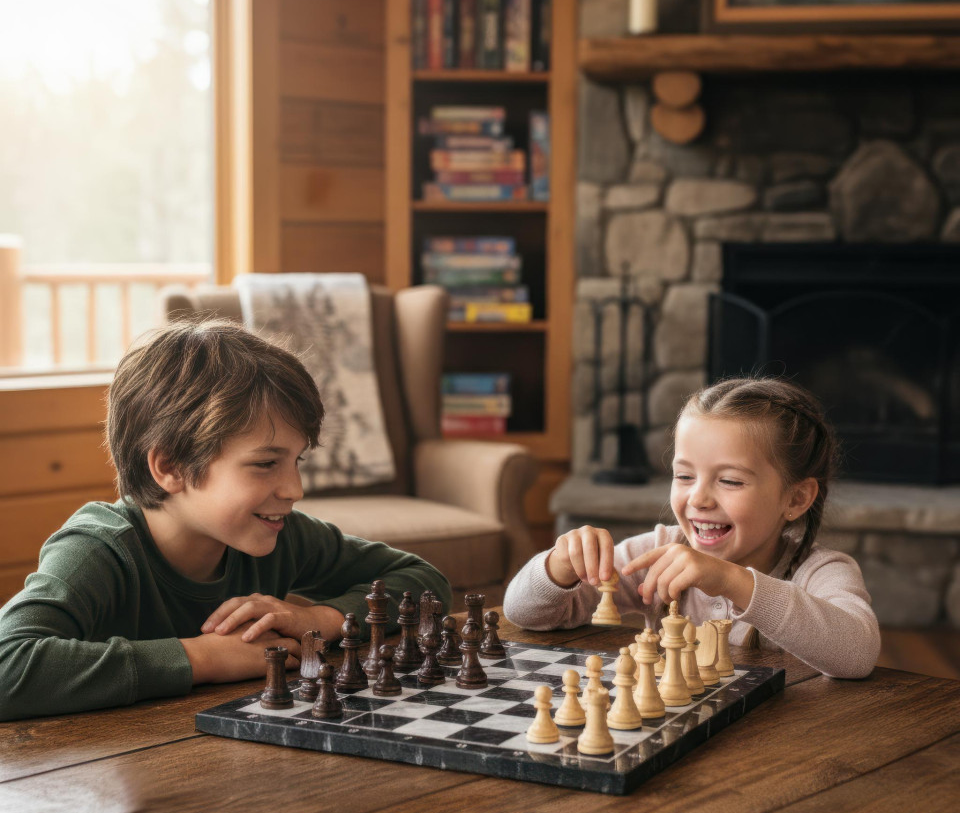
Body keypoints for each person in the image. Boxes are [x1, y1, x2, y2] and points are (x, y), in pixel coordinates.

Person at [0, 320, 451, 721]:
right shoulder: (96, 551)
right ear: (171, 467)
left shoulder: (282, 535)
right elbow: (8, 666)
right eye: (265, 464)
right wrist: (204, 657)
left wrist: (320, 617)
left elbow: (425, 582)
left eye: (298, 461)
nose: (294, 489)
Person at [504, 377, 880, 679]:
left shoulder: (823, 571)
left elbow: (857, 655)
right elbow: (524, 613)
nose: (698, 499)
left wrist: (732, 581)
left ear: (796, 499)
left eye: (730, 481)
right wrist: (558, 567)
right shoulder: (658, 552)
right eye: (684, 475)